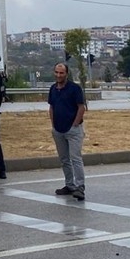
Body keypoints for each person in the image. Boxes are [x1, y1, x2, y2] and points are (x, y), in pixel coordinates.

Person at [48, 62, 86, 200]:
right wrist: (53, 124)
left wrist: (75, 125)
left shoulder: (74, 89)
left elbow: (81, 107)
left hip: (73, 130)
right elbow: (51, 107)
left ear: (66, 74)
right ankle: (70, 185)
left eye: (61, 73)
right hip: (58, 130)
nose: (59, 75)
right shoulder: (53, 89)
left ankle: (80, 187)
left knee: (75, 158)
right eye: (57, 72)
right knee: (64, 159)